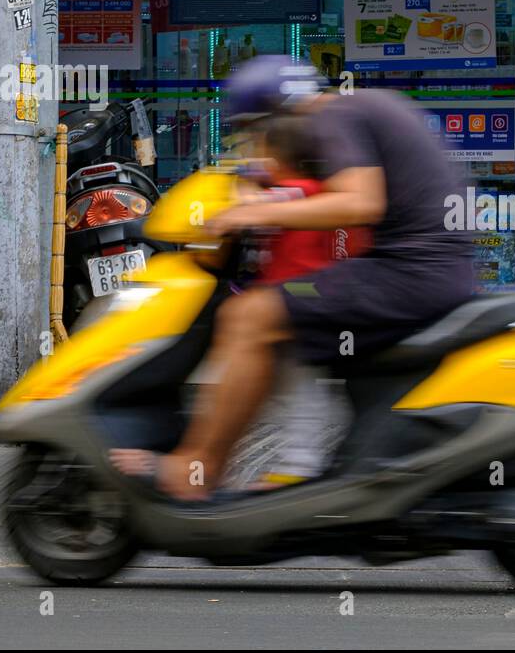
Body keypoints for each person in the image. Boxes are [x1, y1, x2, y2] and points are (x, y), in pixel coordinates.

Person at [110, 57, 474, 500]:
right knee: (282, 308)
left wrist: (254, 211)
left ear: (279, 115)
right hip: (421, 270)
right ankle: (294, 467)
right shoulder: (358, 109)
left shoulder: (334, 115)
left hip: (410, 273)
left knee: (250, 315)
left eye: (257, 132)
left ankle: (197, 468)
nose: (259, 146)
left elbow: (360, 203)